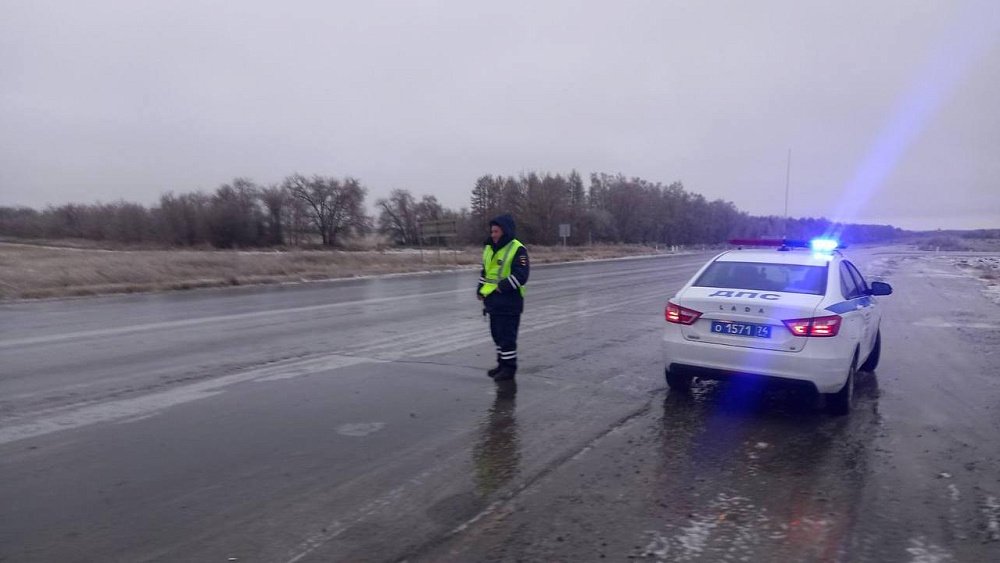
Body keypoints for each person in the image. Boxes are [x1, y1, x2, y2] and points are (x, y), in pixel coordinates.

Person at [477, 214, 529, 383]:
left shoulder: (517, 249)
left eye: (496, 231)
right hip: (493, 301)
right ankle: (501, 364)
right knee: (497, 335)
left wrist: (502, 287)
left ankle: (509, 368)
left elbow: (522, 275)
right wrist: (480, 289)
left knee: (507, 337)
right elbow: (486, 272)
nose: (493, 234)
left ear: (505, 231)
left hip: (510, 301)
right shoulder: (489, 248)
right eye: (492, 231)